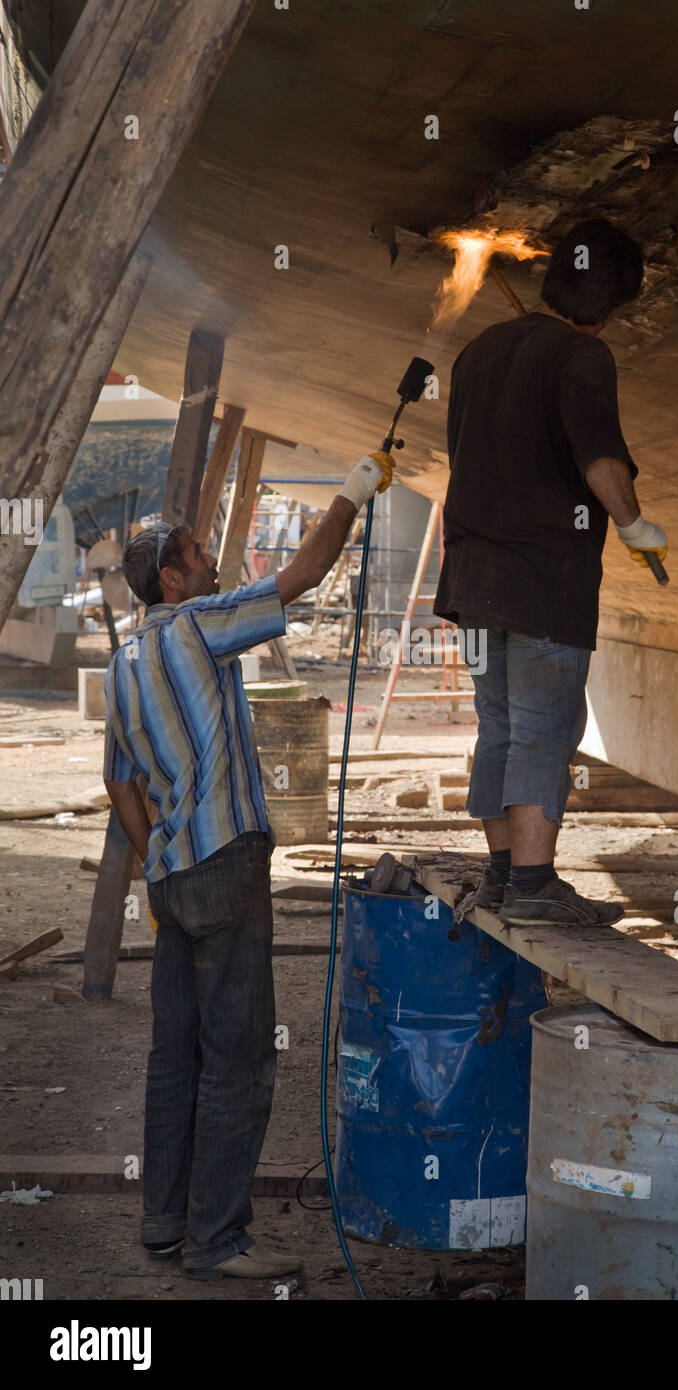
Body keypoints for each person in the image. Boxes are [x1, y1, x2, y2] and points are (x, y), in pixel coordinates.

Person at [102, 451, 392, 1279]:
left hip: (172, 877)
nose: (208, 559)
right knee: (238, 1061)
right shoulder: (199, 625)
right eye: (194, 552)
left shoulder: (123, 666)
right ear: (171, 580)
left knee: (175, 1058)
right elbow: (299, 575)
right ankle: (218, 1242)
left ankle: (164, 1224)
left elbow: (121, 787)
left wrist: (158, 857)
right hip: (227, 866)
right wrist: (351, 493)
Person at [434, 218, 667, 928]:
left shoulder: (477, 352)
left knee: (499, 726)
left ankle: (505, 876)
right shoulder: (583, 357)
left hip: (472, 579)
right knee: (542, 729)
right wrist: (632, 525)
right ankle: (535, 889)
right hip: (543, 583)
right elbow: (601, 458)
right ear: (610, 306)